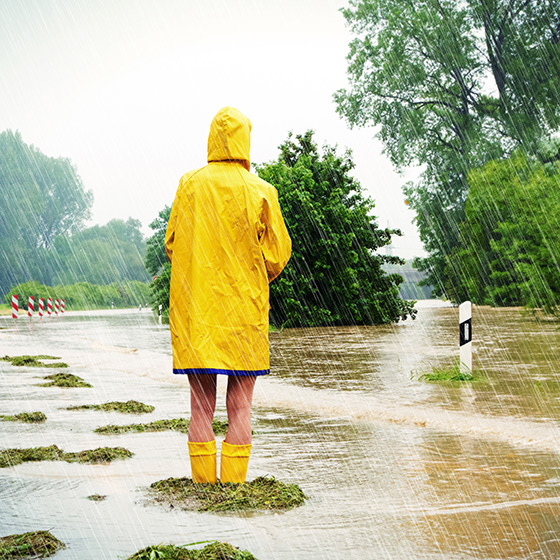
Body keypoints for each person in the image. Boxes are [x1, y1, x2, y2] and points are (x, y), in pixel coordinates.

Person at [165, 107, 291, 484]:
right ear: (245, 141)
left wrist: (199, 268)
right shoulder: (261, 191)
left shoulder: (190, 184)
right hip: (244, 314)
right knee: (241, 407)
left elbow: (172, 244)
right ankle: (234, 488)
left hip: (198, 313)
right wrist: (251, 272)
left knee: (200, 407)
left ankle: (203, 490)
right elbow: (278, 253)